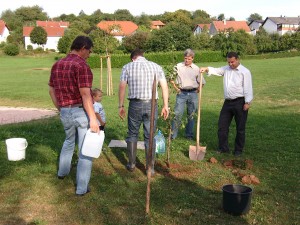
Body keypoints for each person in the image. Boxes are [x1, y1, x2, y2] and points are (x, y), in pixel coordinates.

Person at [48, 36, 99, 196]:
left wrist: (61, 108)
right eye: (89, 51)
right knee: (86, 150)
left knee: (69, 141)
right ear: (83, 47)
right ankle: (81, 188)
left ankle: (62, 173)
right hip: (80, 112)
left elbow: (51, 90)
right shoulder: (81, 66)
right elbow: (85, 95)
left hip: (65, 111)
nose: (89, 55)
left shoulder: (57, 64)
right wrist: (93, 119)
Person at [118, 48, 169, 175]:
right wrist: (166, 105)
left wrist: (121, 106)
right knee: (150, 135)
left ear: (133, 58)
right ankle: (150, 168)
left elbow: (122, 86)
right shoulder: (156, 67)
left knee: (132, 134)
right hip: (152, 104)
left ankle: (131, 164)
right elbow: (164, 86)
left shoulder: (127, 67)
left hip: (135, 104)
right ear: (142, 56)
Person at [200, 51, 253, 156]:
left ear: (238, 60)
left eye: (232, 62)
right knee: (222, 126)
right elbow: (216, 70)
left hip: (240, 102)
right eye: (228, 62)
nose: (230, 64)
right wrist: (206, 68)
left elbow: (248, 88)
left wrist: (247, 102)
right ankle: (223, 148)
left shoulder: (245, 72)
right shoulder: (226, 69)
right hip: (228, 103)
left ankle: (238, 150)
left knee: (240, 128)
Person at [171, 49, 206, 140]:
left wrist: (198, 90)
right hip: (181, 93)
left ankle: (189, 135)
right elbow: (171, 78)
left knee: (191, 115)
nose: (187, 60)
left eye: (189, 59)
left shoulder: (196, 68)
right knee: (177, 114)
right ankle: (173, 135)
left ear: (193, 58)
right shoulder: (178, 66)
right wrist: (176, 88)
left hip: (193, 93)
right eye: (185, 58)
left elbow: (202, 82)